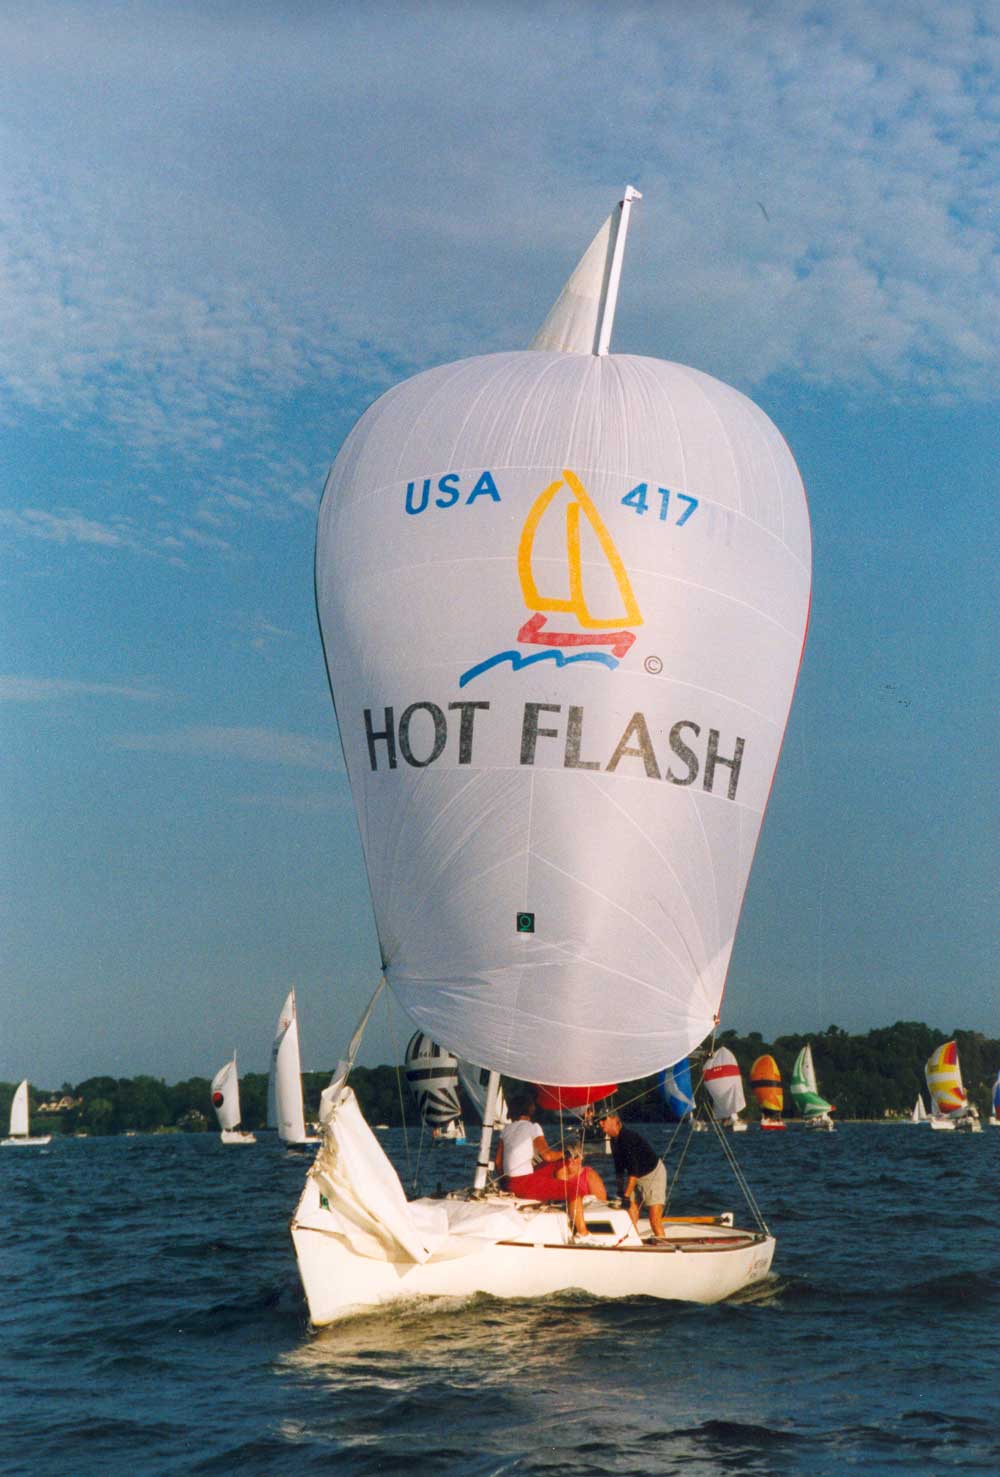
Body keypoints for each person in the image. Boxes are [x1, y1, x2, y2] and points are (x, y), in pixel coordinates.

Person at [495, 1094, 606, 1235]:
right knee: (574, 1190)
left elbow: (498, 1163)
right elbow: (547, 1156)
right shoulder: (533, 1127)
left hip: (509, 1183)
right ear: (530, 1110)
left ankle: (559, 1192)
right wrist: (565, 1153)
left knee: (558, 1164)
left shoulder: (506, 1130)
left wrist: (505, 1184)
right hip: (524, 1184)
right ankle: (583, 1234)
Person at [595, 1109, 667, 1240]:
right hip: (635, 1176)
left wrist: (626, 1196)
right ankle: (634, 1240)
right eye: (599, 1120)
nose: (600, 1123)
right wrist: (620, 1191)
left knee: (654, 1219)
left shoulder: (628, 1138)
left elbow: (634, 1171)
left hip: (652, 1174)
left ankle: (663, 1242)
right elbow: (619, 1168)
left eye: (604, 1119)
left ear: (615, 1120)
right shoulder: (613, 1140)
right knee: (630, 1212)